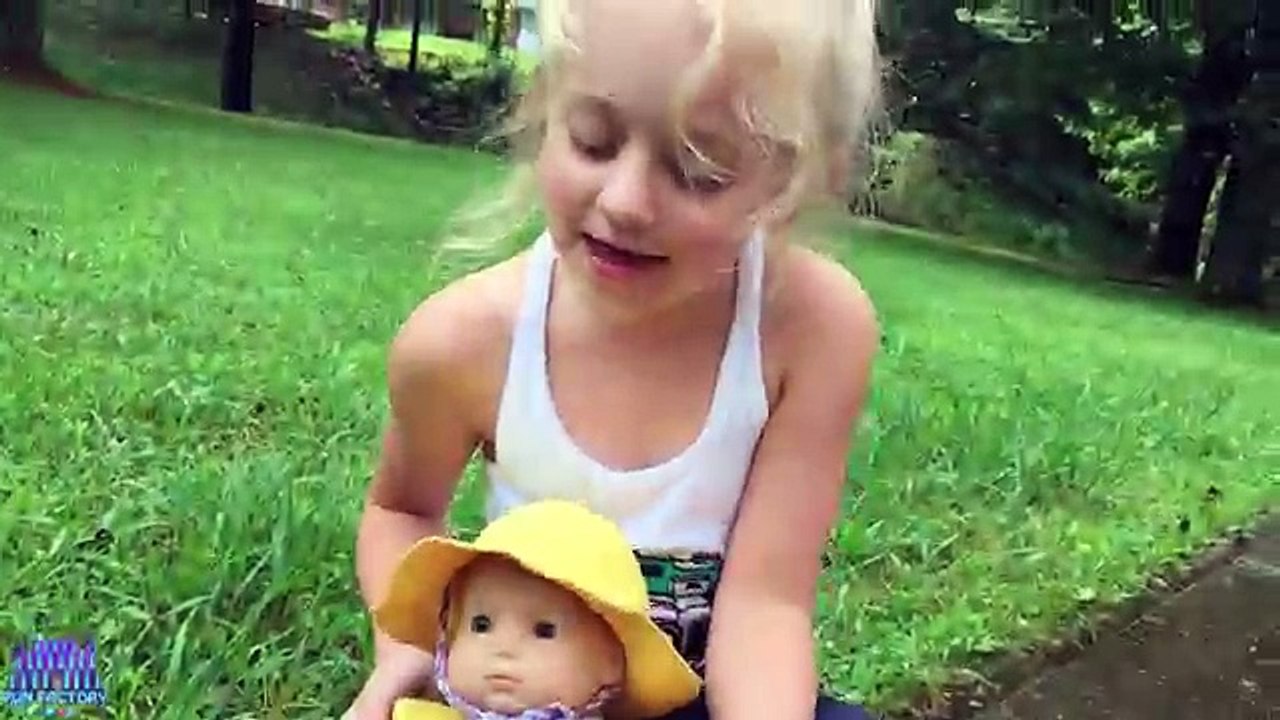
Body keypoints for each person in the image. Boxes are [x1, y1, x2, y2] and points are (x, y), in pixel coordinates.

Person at [344, 0, 884, 717]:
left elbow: (765, 602)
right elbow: (401, 509)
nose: (627, 201)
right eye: (594, 141)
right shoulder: (464, 339)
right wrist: (412, 649)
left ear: (789, 184)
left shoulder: (812, 330)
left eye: (697, 170)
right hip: (526, 698)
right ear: (545, 113)